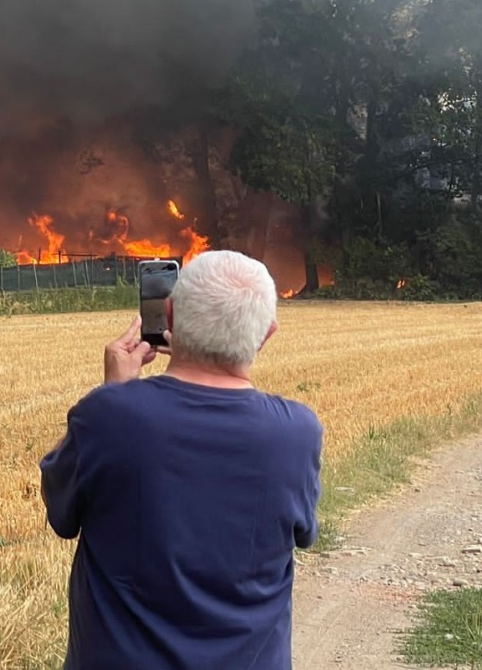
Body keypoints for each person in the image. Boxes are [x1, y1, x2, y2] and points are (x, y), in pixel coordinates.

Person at [39, 250, 321, 670]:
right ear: (267, 334)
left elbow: (62, 513)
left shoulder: (108, 417)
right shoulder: (297, 432)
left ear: (168, 314)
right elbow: (304, 534)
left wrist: (113, 392)